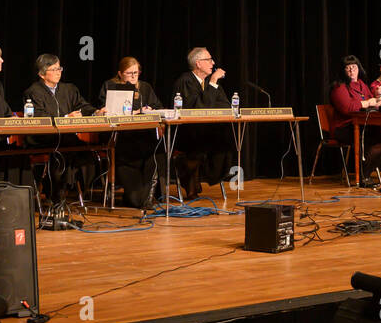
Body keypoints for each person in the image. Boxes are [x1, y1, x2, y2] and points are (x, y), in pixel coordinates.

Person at [22, 54, 98, 198]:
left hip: (64, 137)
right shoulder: (33, 92)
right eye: (54, 69)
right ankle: (57, 194)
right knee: (63, 150)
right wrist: (65, 118)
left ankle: (72, 191)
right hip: (41, 138)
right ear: (42, 74)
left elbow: (82, 106)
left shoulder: (68, 89)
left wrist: (96, 112)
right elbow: (39, 117)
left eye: (60, 68)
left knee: (85, 152)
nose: (59, 72)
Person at [97, 57, 163, 207]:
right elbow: (107, 111)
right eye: (129, 73)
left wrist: (150, 110)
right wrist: (137, 112)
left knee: (158, 152)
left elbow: (157, 105)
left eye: (136, 72)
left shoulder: (145, 87)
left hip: (145, 139)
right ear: (120, 73)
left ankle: (146, 197)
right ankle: (135, 195)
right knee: (135, 200)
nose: (133, 76)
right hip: (122, 141)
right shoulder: (110, 86)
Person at [170, 47, 233, 199]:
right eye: (209, 59)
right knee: (199, 148)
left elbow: (225, 106)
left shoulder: (210, 84)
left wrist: (211, 86)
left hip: (206, 132)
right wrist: (212, 82)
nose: (213, 63)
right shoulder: (186, 81)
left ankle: (198, 175)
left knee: (225, 145)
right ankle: (190, 174)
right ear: (198, 63)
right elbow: (199, 108)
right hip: (187, 134)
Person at [329, 55, 381, 187]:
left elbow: (373, 102)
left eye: (354, 67)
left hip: (363, 125)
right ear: (343, 71)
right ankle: (362, 176)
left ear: (358, 69)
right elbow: (347, 108)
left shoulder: (362, 84)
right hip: (344, 127)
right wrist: (366, 103)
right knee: (373, 138)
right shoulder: (338, 87)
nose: (351, 71)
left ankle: (366, 173)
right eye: (347, 68)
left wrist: (378, 98)